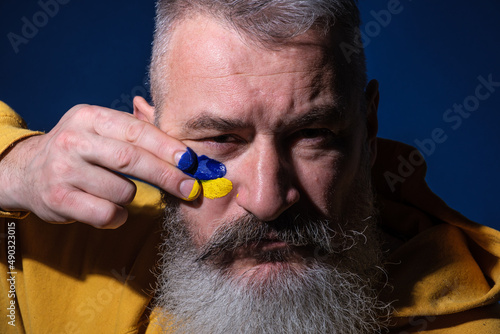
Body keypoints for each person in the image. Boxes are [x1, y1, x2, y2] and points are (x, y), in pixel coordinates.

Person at [1, 0, 500, 333]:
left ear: (367, 130)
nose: (266, 199)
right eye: (221, 139)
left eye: (312, 135)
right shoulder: (52, 255)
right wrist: (15, 164)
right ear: (149, 133)